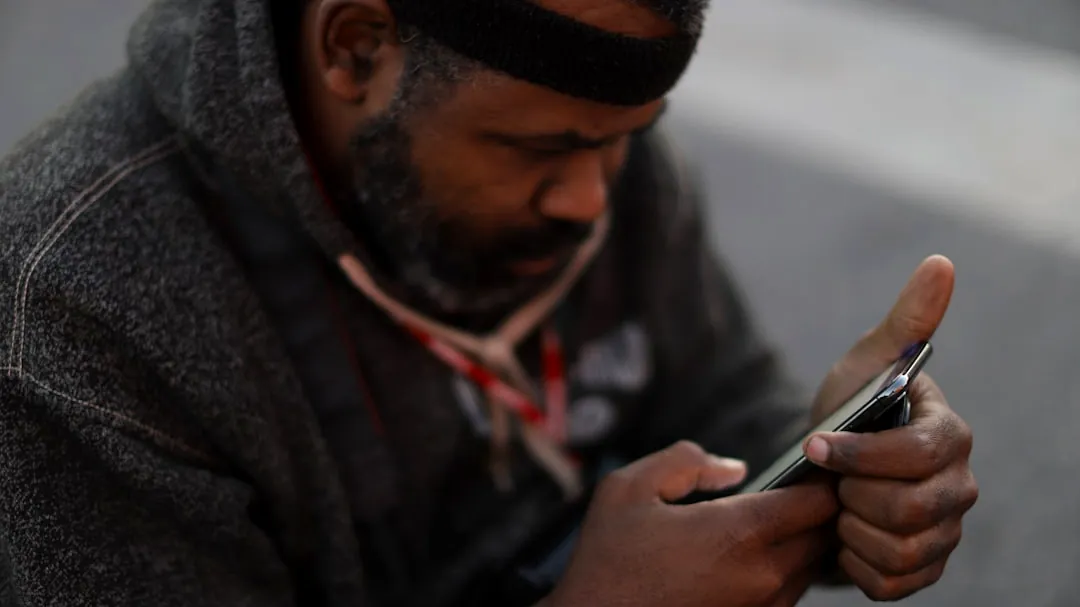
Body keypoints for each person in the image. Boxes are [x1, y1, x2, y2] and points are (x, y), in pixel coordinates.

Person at [0, 0, 978, 605]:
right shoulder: (80, 304)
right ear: (356, 45)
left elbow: (714, 400)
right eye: (542, 150)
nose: (594, 198)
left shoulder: (597, 146)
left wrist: (837, 468)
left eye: (630, 135)